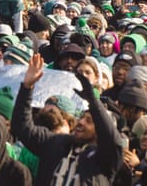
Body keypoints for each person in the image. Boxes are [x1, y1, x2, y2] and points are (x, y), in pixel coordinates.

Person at [12, 53, 122, 186]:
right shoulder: (55, 142)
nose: (80, 122)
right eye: (82, 118)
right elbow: (22, 127)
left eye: (89, 121)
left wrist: (93, 102)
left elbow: (112, 140)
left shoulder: (105, 159)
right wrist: (27, 87)